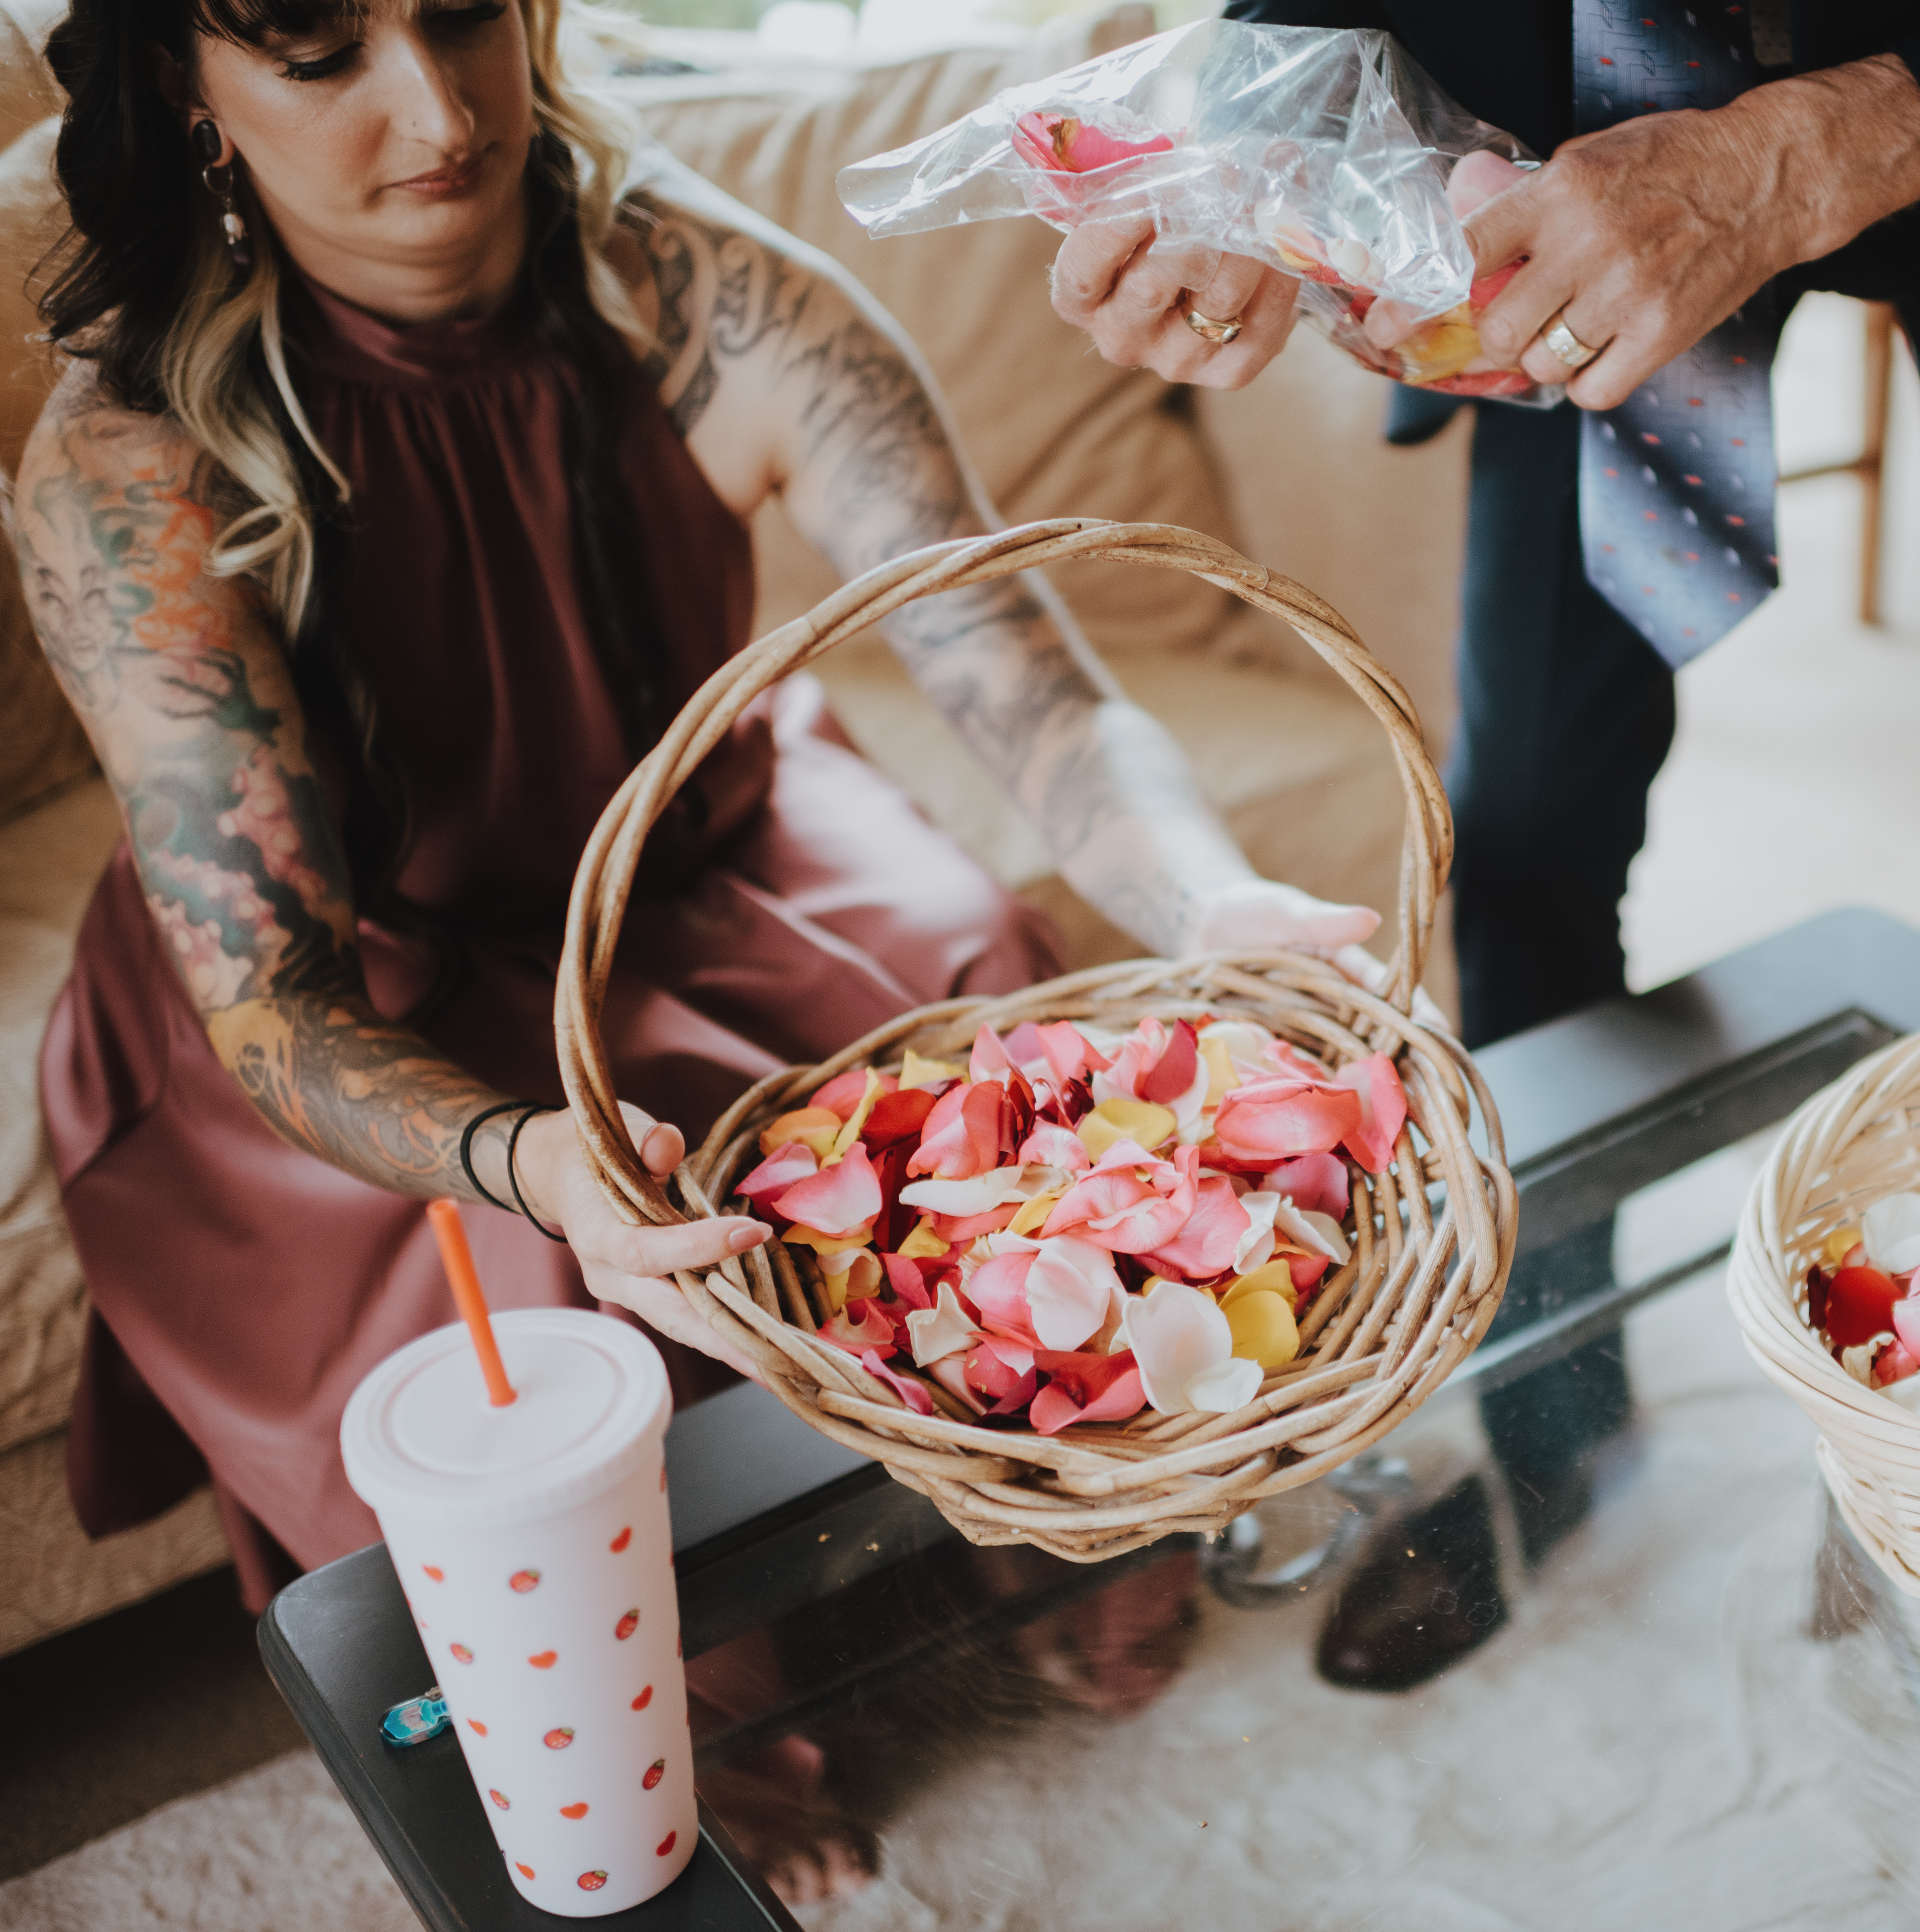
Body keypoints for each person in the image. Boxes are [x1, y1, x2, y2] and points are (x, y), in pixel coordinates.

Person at [19, 0, 1376, 1875]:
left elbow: (1032, 693)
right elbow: (274, 996)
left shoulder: (719, 301)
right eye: (323, 55)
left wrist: (1212, 898)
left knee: (989, 961)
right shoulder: (130, 468)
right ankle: (681, 1729)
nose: (435, 108)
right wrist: (539, 1157)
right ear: (192, 92)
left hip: (696, 844)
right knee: (524, 1261)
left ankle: (1020, 1508)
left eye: (465, 16)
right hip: (349, 980)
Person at [1049, 0, 1920, 1714]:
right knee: (1522, 838)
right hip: (1561, 124)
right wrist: (1261, 140)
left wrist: (1800, 151)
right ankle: (1556, 1419)